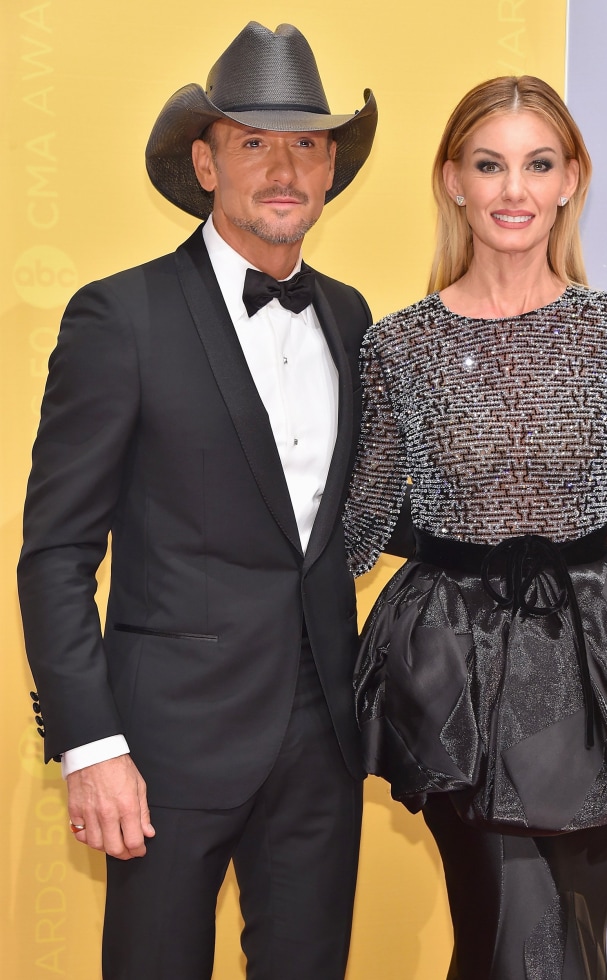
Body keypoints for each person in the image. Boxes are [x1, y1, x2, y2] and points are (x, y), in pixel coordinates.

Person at [343, 76, 607, 979]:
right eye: (490, 165)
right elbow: (359, 526)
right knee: (504, 937)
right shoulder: (398, 344)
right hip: (456, 680)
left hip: (592, 676)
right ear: (453, 182)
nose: (513, 190)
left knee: (573, 942)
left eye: (537, 164)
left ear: (570, 180)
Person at [18, 21, 377, 980]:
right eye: (254, 142)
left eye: (305, 142)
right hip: (160, 749)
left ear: (332, 167)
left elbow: (350, 525)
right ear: (205, 163)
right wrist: (91, 744)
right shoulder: (118, 315)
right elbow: (55, 554)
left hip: (322, 744)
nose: (284, 167)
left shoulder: (349, 316)